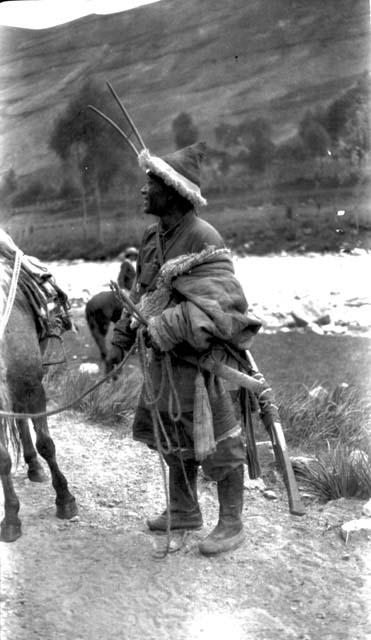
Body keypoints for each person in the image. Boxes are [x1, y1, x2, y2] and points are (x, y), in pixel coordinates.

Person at [106, 141, 261, 555]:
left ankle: (231, 523)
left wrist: (168, 325)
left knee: (223, 440)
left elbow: (224, 304)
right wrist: (121, 339)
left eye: (150, 183)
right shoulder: (152, 237)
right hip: (163, 361)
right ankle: (184, 508)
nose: (143, 190)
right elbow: (141, 293)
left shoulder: (203, 237)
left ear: (173, 191)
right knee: (172, 435)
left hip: (202, 360)